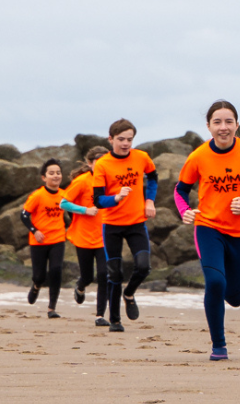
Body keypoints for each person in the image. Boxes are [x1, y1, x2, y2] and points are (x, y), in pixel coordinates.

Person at [175, 101, 240, 361]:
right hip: (209, 228)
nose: (223, 127)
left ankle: (231, 297)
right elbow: (180, 190)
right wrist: (184, 209)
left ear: (237, 125)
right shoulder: (198, 156)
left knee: (237, 297)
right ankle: (218, 345)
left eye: (228, 121)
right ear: (208, 126)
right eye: (217, 122)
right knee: (216, 283)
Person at [91, 119, 159, 332]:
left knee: (143, 266)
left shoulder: (142, 157)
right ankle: (115, 320)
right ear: (110, 139)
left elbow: (153, 177)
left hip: (136, 223)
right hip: (111, 225)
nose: (126, 143)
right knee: (115, 273)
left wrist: (149, 200)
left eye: (129, 139)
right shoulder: (102, 164)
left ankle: (129, 294)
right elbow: (98, 200)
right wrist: (117, 198)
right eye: (121, 139)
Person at [21, 159, 94, 318]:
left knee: (56, 270)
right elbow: (24, 215)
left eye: (58, 173)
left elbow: (72, 214)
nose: (55, 176)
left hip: (58, 239)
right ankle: (36, 285)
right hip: (38, 241)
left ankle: (51, 308)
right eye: (51, 173)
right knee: (39, 276)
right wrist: (35, 230)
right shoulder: (38, 195)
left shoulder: (64, 195)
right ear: (43, 177)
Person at [62, 146, 110, 326]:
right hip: (83, 236)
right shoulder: (82, 181)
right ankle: (81, 286)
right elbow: (63, 203)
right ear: (90, 164)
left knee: (105, 274)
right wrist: (85, 210)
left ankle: (99, 315)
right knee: (88, 276)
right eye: (98, 162)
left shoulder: (111, 181)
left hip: (104, 236)